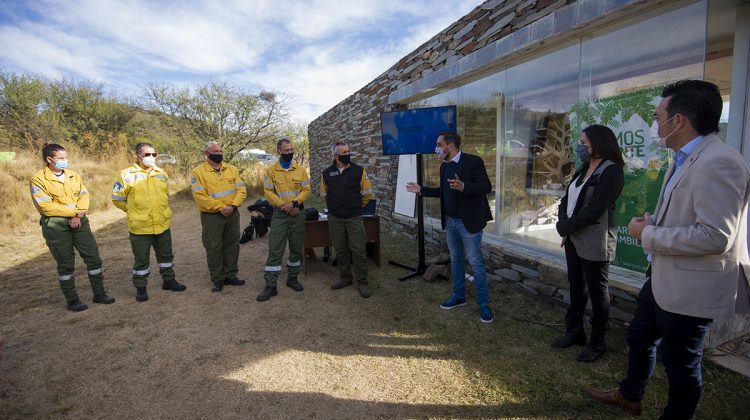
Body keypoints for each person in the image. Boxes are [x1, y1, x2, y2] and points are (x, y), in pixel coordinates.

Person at [586, 80, 750, 418]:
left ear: (678, 121)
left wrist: (650, 235)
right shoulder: (685, 158)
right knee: (640, 337)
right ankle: (630, 394)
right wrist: (655, 225)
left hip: (690, 289)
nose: (654, 122)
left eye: (658, 115)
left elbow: (717, 235)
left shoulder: (720, 161)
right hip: (662, 279)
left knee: (681, 364)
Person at [553, 125, 625, 362]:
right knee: (576, 286)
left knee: (597, 292)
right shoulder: (583, 169)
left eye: (584, 142)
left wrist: (568, 225)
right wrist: (563, 220)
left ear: (598, 142)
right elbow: (568, 198)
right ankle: (575, 332)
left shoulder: (611, 171)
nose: (579, 146)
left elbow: (596, 208)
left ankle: (597, 343)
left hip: (595, 240)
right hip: (573, 237)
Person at [406, 131, 494, 323]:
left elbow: (486, 187)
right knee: (456, 260)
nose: (436, 148)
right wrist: (422, 190)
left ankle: (484, 305)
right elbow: (443, 192)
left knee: (476, 263)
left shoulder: (473, 161)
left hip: (469, 222)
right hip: (451, 222)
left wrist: (464, 186)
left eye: (439, 144)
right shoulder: (444, 166)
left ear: (450, 145)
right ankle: (459, 296)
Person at [30, 143, 115, 311]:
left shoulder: (73, 176)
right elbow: (46, 206)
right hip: (56, 225)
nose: (65, 161)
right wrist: (73, 213)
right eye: (61, 158)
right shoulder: (38, 179)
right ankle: (72, 300)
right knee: (66, 264)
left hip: (79, 221)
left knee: (93, 258)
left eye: (65, 157)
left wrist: (78, 215)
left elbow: (84, 196)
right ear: (49, 159)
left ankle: (99, 294)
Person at [112, 142, 186, 302]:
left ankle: (169, 281)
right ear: (137, 155)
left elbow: (165, 195)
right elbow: (117, 199)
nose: (151, 157)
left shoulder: (161, 173)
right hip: (140, 228)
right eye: (147, 155)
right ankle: (141, 288)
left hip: (162, 224)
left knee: (166, 256)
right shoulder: (126, 175)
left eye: (154, 154)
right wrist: (132, 211)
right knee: (141, 260)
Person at [257, 138, 311, 301]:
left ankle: (292, 278)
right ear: (279, 151)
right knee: (276, 249)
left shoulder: (300, 170)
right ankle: (271, 285)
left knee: (295, 247)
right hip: (281, 214)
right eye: (286, 150)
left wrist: (294, 203)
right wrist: (284, 206)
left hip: (297, 212)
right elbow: (268, 192)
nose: (290, 153)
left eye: (291, 149)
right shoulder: (271, 171)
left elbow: (306, 189)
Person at [191, 141, 248, 292]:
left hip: (232, 213)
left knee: (232, 244)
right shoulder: (198, 172)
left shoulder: (232, 169)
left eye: (220, 151)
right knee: (214, 247)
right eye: (215, 152)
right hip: (212, 216)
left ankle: (230, 274)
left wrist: (233, 206)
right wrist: (221, 207)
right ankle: (217, 278)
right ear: (206, 154)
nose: (219, 154)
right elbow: (199, 196)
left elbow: (241, 190)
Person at [321, 140, 373, 298]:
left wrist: (356, 206)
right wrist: (334, 208)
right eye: (344, 153)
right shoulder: (327, 173)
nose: (348, 155)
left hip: (354, 217)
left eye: (348, 151)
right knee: (341, 251)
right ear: (335, 156)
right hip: (335, 218)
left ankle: (362, 282)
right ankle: (345, 278)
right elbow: (324, 196)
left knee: (358, 250)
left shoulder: (358, 171)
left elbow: (367, 193)